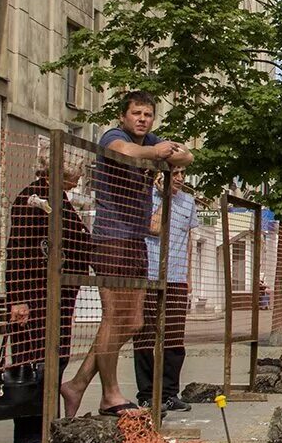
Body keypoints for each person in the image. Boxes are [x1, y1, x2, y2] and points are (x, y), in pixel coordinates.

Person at [64, 91, 190, 417]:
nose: (142, 119)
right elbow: (122, 151)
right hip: (112, 238)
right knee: (113, 316)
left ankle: (77, 384)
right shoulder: (114, 136)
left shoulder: (153, 140)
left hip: (136, 240)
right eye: (136, 113)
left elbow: (186, 157)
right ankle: (110, 394)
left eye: (147, 114)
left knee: (133, 321)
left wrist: (167, 152)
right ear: (124, 115)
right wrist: (156, 152)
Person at [4, 154, 94, 443]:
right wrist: (17, 299)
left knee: (55, 359)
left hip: (59, 297)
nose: (80, 179)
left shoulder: (59, 199)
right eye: (76, 173)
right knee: (31, 362)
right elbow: (18, 249)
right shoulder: (32, 199)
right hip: (35, 296)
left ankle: (45, 424)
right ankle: (29, 432)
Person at [136, 169, 197, 412]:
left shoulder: (189, 201)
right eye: (175, 173)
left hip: (176, 277)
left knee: (173, 338)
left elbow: (189, 240)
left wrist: (188, 274)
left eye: (183, 173)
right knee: (145, 337)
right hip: (149, 275)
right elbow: (153, 227)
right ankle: (147, 393)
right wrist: (165, 199)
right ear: (159, 175)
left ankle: (170, 393)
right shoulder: (145, 196)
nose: (181, 178)